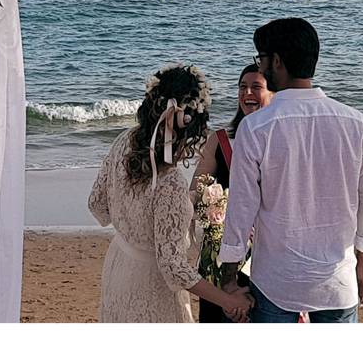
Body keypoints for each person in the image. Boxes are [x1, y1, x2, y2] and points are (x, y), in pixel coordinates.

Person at [217, 18, 363, 323]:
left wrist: (229, 274)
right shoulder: (353, 122)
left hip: (276, 281)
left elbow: (241, 208)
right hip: (337, 280)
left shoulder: (256, 127)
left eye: (262, 60)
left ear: (277, 61)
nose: (261, 67)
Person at [88, 63, 254, 323]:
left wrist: (131, 222)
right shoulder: (171, 182)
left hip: (118, 264)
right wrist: (229, 300)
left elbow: (96, 204)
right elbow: (173, 268)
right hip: (150, 284)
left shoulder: (123, 140)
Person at [190, 64, 274, 323]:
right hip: (221, 250)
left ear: (273, 93)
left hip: (268, 253)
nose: (247, 92)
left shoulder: (280, 138)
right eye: (242, 87)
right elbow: (194, 192)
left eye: (256, 87)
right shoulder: (220, 140)